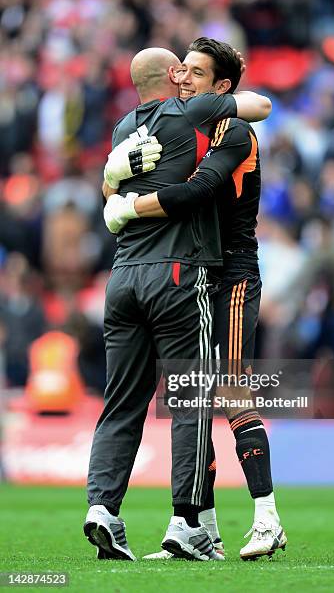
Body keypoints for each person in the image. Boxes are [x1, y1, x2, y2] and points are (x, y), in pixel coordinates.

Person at [84, 46, 271, 562]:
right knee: (191, 399)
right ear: (172, 75)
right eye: (183, 69)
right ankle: (187, 523)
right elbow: (261, 107)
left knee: (121, 402)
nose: (188, 77)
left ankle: (103, 510)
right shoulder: (193, 112)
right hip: (178, 272)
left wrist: (118, 195)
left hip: (121, 278)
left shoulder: (123, 128)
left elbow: (107, 185)